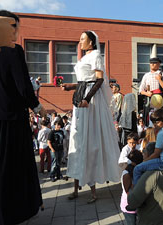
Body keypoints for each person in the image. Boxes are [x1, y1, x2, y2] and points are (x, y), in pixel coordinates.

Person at [0, 10, 45, 225]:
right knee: (9, 167)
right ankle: (10, 211)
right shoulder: (12, 50)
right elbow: (22, 85)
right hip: (10, 119)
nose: (15, 31)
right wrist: (37, 105)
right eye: (13, 26)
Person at [64, 30, 121, 203]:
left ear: (91, 42)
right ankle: (76, 186)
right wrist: (71, 86)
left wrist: (88, 99)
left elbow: (99, 80)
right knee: (78, 139)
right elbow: (84, 81)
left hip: (90, 101)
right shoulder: (84, 58)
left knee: (89, 140)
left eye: (83, 39)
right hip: (80, 98)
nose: (80, 41)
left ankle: (92, 190)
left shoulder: (96, 55)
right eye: (80, 38)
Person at [133, 108, 163, 185]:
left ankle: (137, 191)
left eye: (157, 122)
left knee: (137, 169)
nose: (155, 124)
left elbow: (156, 154)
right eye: (153, 122)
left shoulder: (162, 133)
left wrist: (144, 161)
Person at [139, 57, 163, 126]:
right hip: (150, 100)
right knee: (150, 119)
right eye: (151, 63)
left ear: (159, 64)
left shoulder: (162, 74)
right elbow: (141, 90)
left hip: (160, 99)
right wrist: (146, 93)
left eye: (154, 63)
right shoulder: (146, 75)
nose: (152, 64)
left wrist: (159, 79)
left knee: (160, 118)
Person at [120, 150, 143, 225]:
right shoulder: (127, 174)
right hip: (128, 204)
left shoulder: (139, 170)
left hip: (139, 204)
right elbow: (128, 191)